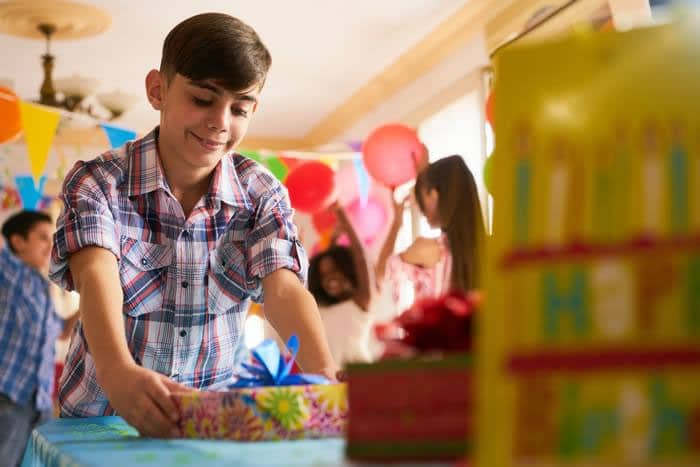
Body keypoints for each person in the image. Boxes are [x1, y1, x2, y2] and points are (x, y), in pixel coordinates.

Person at [49, 13, 337, 438]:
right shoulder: (98, 182)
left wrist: (323, 373)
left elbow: (283, 287)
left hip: (209, 422)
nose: (220, 121)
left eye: (239, 108)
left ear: (253, 109)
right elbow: (96, 274)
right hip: (100, 417)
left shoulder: (262, 193)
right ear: (157, 90)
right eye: (203, 99)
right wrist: (118, 371)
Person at [0, 211, 77, 467]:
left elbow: (62, 331)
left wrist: (90, 297)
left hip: (40, 401)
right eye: (42, 237)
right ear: (18, 242)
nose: (50, 245)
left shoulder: (41, 287)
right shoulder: (8, 272)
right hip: (9, 395)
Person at [376, 155, 485, 304]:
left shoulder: (428, 249)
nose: (420, 207)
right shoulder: (490, 249)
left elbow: (380, 274)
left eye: (421, 196)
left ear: (434, 195)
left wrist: (396, 223)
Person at [308, 203, 375, 366]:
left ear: (346, 270)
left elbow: (360, 258)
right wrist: (332, 240)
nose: (329, 278)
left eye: (334, 271)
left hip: (360, 376)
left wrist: (342, 215)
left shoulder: (360, 301)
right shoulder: (321, 308)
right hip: (330, 380)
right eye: (323, 276)